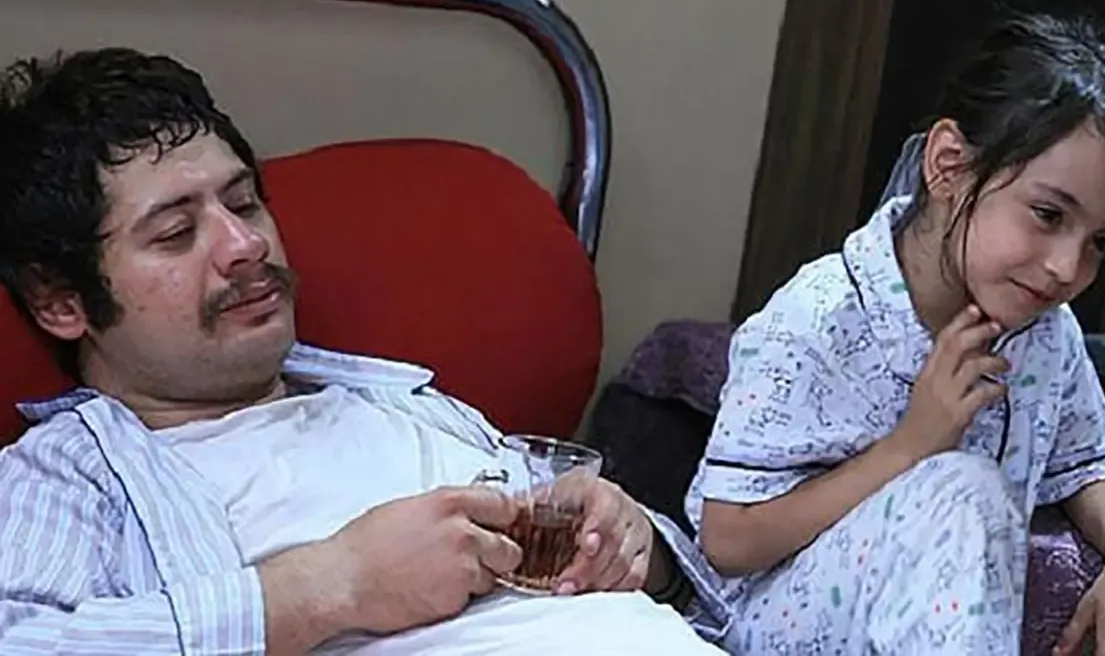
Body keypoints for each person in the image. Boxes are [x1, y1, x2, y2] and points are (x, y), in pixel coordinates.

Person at [0, 47, 730, 655]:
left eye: (245, 203)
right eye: (175, 234)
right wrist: (330, 586)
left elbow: (666, 586)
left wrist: (642, 552)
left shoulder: (403, 402)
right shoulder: (68, 473)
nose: (245, 244)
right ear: (60, 301)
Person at [688, 11, 1105, 656]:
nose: (1068, 268)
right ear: (948, 166)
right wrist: (911, 445)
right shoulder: (819, 316)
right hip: (762, 630)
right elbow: (726, 540)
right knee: (964, 489)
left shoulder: (1044, 333)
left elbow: (1088, 461)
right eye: (1048, 214)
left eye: (1100, 244)